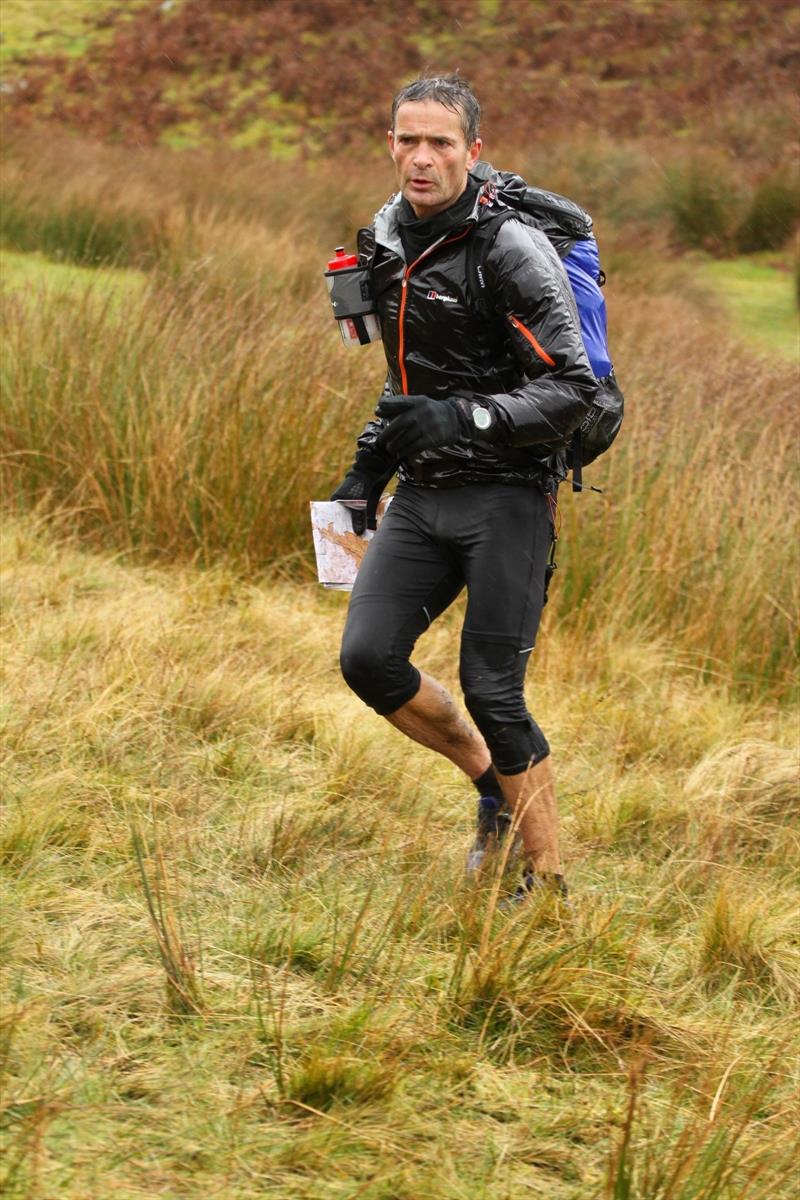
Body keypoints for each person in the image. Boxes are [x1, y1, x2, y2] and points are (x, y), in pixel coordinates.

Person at [330, 75, 598, 901]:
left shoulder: (511, 248)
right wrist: (366, 472)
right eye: (407, 139)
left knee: (493, 690)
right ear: (389, 143)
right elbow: (405, 380)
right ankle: (492, 790)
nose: (421, 157)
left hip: (510, 495)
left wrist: (465, 419)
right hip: (424, 492)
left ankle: (546, 889)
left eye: (440, 142)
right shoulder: (387, 240)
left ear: (472, 152)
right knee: (368, 659)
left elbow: (573, 392)